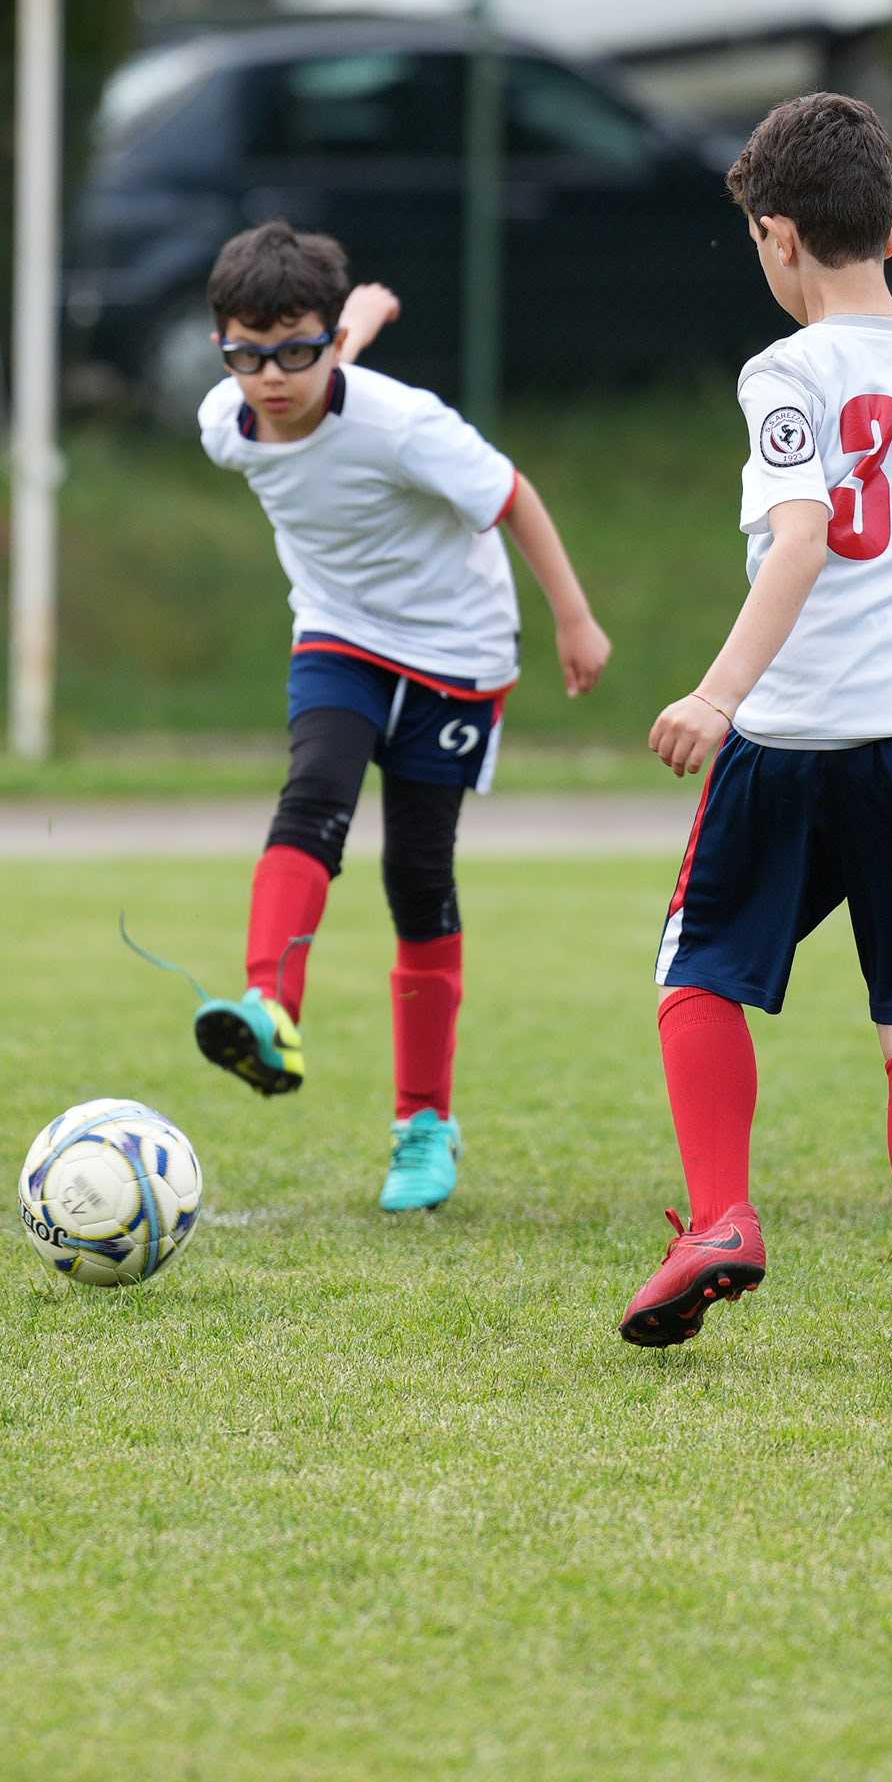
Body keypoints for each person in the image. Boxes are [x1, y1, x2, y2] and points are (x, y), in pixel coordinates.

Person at [626, 92, 892, 1373]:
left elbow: (800, 541)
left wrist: (716, 695)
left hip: (793, 735)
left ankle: (723, 1217)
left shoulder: (785, 373)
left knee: (698, 970)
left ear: (777, 237)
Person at [184, 221, 610, 1214]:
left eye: (297, 352)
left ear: (331, 344)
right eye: (249, 354)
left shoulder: (406, 426)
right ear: (222, 349)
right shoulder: (224, 421)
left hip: (457, 652)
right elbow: (299, 373)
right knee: (312, 794)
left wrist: (575, 618)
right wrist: (350, 328)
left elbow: (513, 497)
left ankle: (424, 1124)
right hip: (339, 634)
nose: (272, 378)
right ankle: (269, 1006)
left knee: (417, 877)